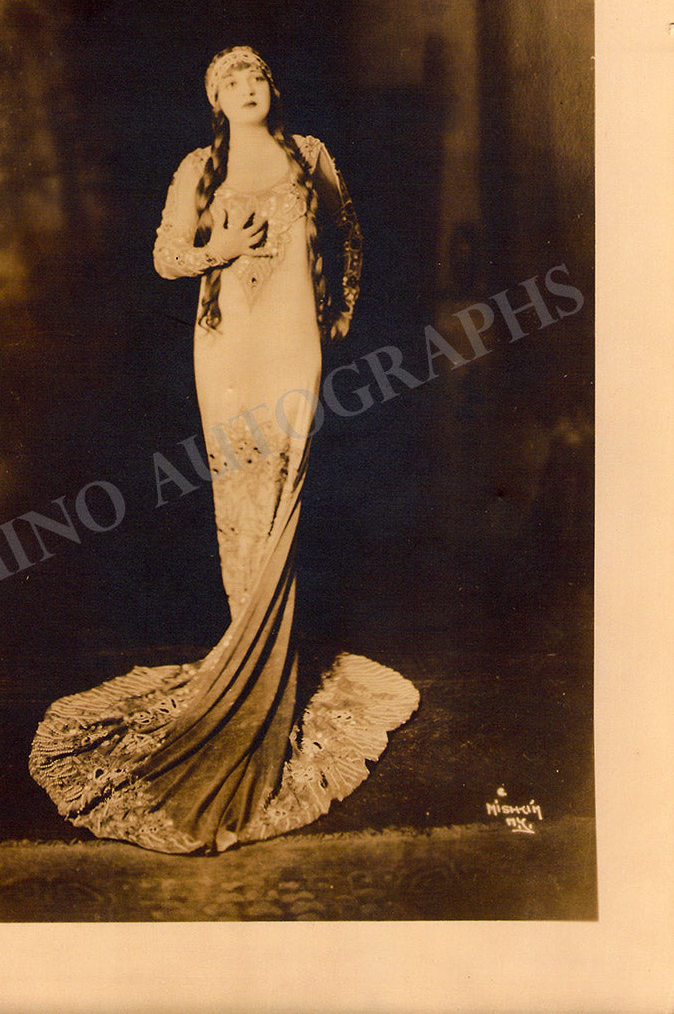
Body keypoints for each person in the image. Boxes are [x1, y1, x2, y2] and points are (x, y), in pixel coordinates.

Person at [29, 47, 419, 854]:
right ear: (215, 99)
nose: (246, 89)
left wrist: (338, 313)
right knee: (239, 497)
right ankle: (246, 668)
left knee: (285, 490)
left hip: (293, 346)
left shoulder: (310, 154)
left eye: (256, 78)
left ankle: (264, 675)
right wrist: (222, 248)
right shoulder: (197, 169)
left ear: (274, 87)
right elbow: (167, 257)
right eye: (229, 83)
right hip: (227, 350)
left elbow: (348, 237)